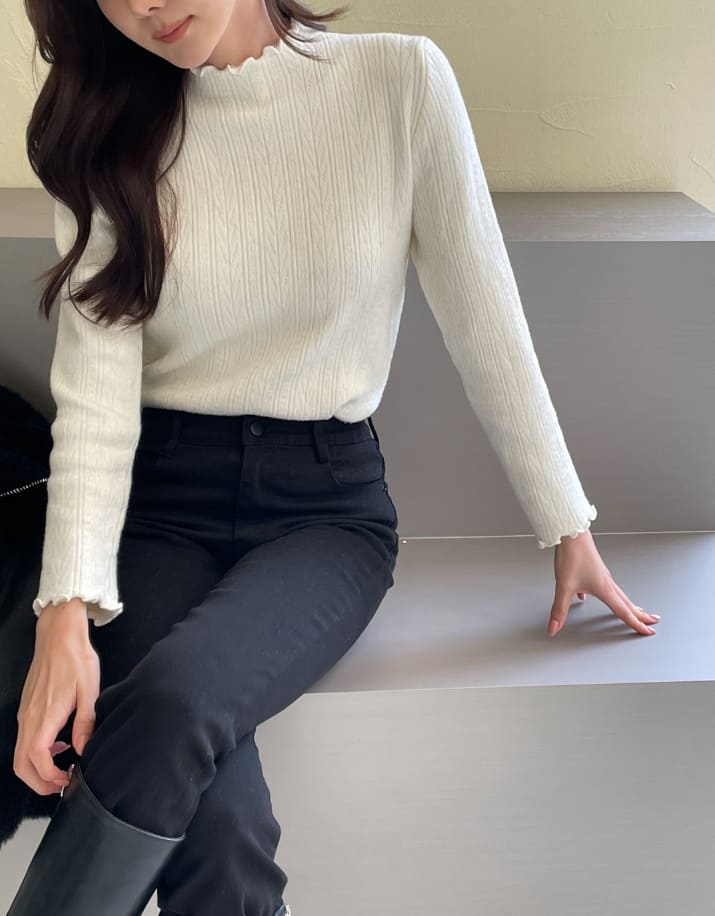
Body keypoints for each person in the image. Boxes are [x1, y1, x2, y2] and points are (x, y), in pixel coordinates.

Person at [9, 1, 662, 914]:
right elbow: (94, 392)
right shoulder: (108, 127)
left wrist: (566, 522)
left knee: (176, 700)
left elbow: (484, 318)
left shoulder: (399, 82)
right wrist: (63, 616)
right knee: (219, 818)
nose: (143, 5)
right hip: (155, 510)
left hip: (322, 512)